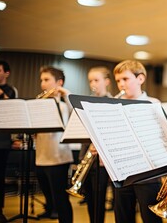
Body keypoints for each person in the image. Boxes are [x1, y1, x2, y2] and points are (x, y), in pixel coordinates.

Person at [112, 60, 162, 223]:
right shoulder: (115, 106)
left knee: (150, 218)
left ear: (140, 79)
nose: (121, 84)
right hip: (123, 173)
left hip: (148, 173)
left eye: (125, 79)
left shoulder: (153, 104)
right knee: (123, 216)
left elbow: (160, 138)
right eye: (118, 81)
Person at [35, 66, 73, 223]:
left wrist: (67, 94)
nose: (43, 84)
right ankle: (49, 209)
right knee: (47, 193)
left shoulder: (64, 106)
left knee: (60, 196)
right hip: (41, 156)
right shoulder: (38, 104)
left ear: (59, 82)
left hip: (59, 157)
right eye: (41, 80)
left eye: (47, 80)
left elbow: (76, 114)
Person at [79, 66, 113, 223]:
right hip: (88, 155)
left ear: (106, 82)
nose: (93, 84)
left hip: (104, 161)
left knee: (100, 198)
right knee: (90, 198)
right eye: (90, 80)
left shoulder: (112, 103)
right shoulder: (85, 104)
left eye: (96, 80)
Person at [0, 60, 17, 223]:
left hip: (1, 142)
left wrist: (0, 94)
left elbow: (14, 112)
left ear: (6, 73)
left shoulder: (10, 90)